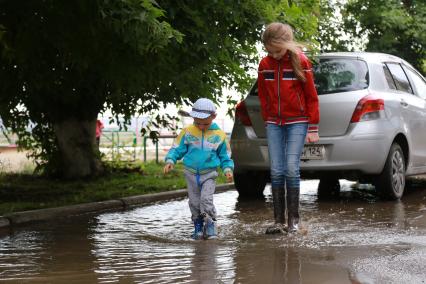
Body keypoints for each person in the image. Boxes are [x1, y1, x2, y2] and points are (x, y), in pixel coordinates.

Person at [258, 22, 320, 234]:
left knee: (291, 168)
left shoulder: (301, 61)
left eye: (278, 51)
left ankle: (293, 220)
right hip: (274, 122)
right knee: (276, 169)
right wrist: (268, 118)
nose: (274, 55)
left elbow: (311, 97)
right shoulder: (264, 64)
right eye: (270, 51)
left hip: (298, 121)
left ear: (287, 44)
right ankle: (278, 221)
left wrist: (313, 127)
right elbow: (264, 95)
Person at [163, 98, 234, 240]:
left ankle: (211, 225)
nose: (201, 126)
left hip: (209, 174)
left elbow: (225, 155)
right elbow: (177, 148)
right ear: (193, 118)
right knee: (194, 202)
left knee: (205, 200)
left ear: (213, 116)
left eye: (205, 123)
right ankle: (198, 226)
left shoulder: (218, 135)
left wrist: (227, 169)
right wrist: (171, 160)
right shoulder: (187, 132)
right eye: (198, 123)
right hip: (190, 173)